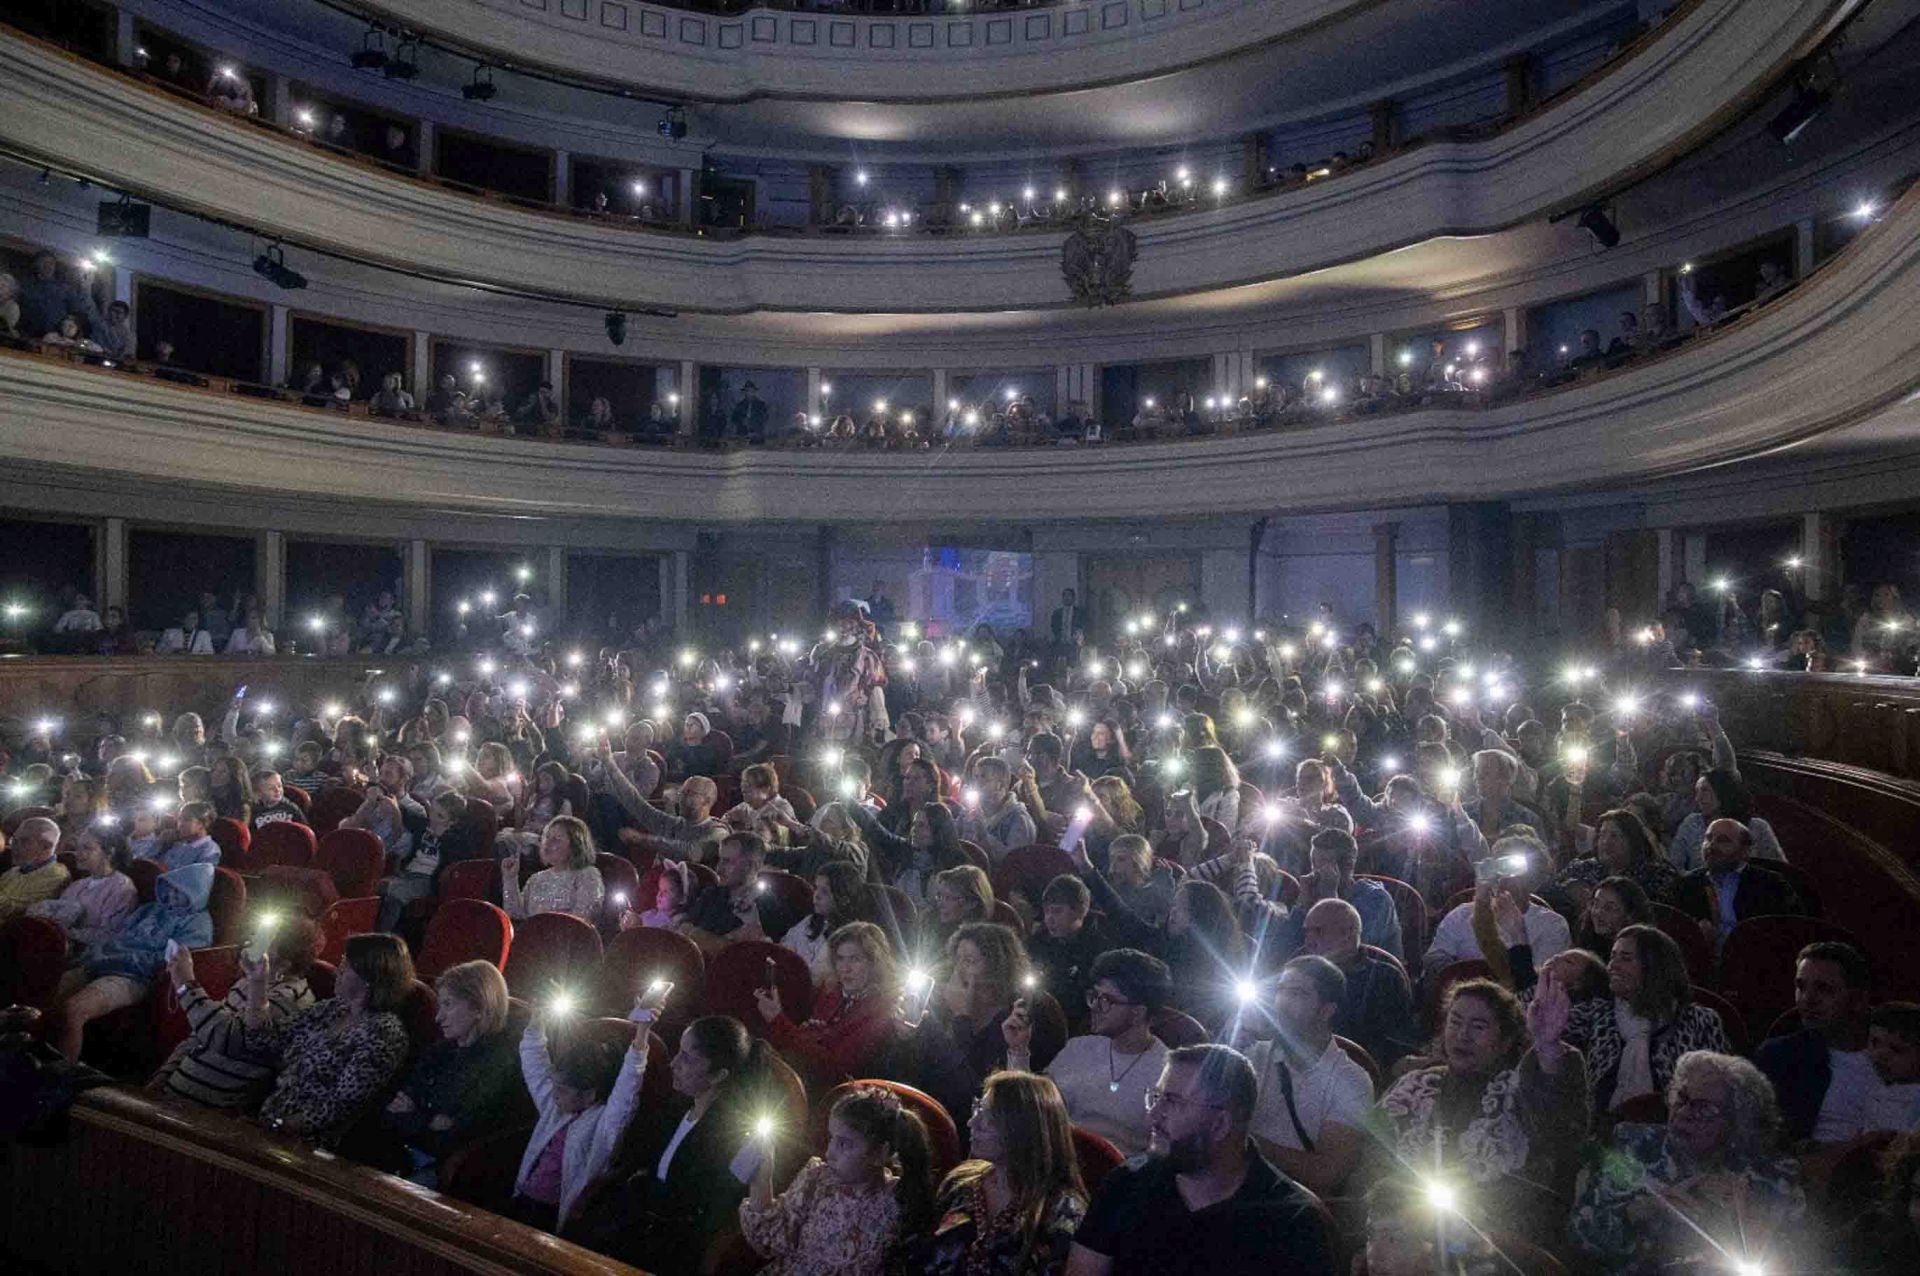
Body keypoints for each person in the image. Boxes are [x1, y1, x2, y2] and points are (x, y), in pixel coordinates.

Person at [1066, 1043, 1334, 1276]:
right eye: (1156, 1097)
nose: (1153, 1115)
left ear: (1220, 1124)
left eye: (1172, 1102)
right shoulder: (1126, 1185)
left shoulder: (1293, 1223)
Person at [1377, 974, 1589, 1239]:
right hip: (1400, 1233)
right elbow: (1371, 1161)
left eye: (1478, 1027)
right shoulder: (1414, 1086)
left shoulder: (1521, 1091)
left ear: (1504, 1042)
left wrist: (1547, 1047)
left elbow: (1561, 1131)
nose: (1462, 1035)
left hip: (1496, 1238)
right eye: (1455, 1022)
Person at [1567, 1051, 1806, 1274]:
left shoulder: (1772, 1174)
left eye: (1704, 1108)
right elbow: (1579, 1235)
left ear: (1738, 1120)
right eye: (1681, 1099)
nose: (1685, 1113)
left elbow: (1795, 1261)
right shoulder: (1632, 1146)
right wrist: (1647, 1209)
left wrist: (1742, 1217)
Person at [580, 1015, 780, 1274]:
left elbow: (704, 1218)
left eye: (687, 1058)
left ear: (719, 1075)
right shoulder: (676, 1109)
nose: (674, 1063)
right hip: (634, 1225)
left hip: (666, 1250)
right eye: (678, 1052)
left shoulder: (732, 1137)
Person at [511, 981, 667, 1233]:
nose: (554, 1094)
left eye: (562, 1090)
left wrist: (642, 1032)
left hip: (552, 1216)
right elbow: (534, 1061)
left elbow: (626, 1090)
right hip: (523, 1197)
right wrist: (537, 1019)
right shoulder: (556, 1108)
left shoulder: (604, 1126)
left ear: (589, 1094)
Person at [897, 1070, 1088, 1276]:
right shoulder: (962, 1183)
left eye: (987, 1119)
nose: (972, 1124)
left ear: (1021, 1130)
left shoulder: (1062, 1211)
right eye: (977, 1111)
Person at [232, 932, 414, 1146]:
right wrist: (258, 981)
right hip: (272, 1120)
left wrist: (277, 1127)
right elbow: (263, 1039)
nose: (338, 971)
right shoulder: (329, 1010)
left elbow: (340, 1105)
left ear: (369, 977)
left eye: (346, 966)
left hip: (313, 1143)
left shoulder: (384, 1033)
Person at [739, 1084, 936, 1275]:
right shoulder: (817, 1179)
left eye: (844, 1144)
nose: (829, 1152)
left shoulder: (899, 1201)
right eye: (831, 1138)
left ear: (880, 1154)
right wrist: (762, 1178)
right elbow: (772, 1241)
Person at [907, 922, 1065, 1150]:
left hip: (989, 1129)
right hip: (935, 1114)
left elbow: (971, 1091)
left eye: (970, 961)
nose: (960, 970)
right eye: (958, 959)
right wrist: (908, 1035)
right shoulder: (942, 1005)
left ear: (998, 967)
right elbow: (922, 1072)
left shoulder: (1022, 1014)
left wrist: (962, 1018)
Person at [1005, 948, 1171, 1157]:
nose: (1094, 1006)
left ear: (1138, 1012)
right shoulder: (1079, 1048)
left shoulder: (1167, 1072)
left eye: (1106, 1001)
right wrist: (1018, 1049)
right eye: (1094, 996)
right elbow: (1034, 1110)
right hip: (1061, 1164)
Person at [373, 960, 523, 1184]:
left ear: (479, 1009)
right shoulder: (440, 1050)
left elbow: (454, 1138)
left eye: (448, 1005)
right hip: (398, 1153)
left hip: (443, 1171)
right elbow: (392, 1109)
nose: (438, 1017)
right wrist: (430, 1121)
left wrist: (414, 1114)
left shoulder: (500, 1065)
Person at [155, 915, 321, 1110]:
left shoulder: (289, 1000)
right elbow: (199, 1035)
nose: (251, 941)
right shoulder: (247, 981)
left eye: (265, 940)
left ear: (285, 964)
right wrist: (162, 1077)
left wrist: (186, 984)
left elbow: (226, 1038)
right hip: (172, 1095)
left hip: (210, 1114)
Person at [53, 860, 215, 1059]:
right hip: (101, 962)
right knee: (48, 994)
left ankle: (60, 1074)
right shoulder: (150, 909)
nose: (171, 896)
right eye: (169, 889)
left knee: (74, 1011)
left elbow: (175, 961)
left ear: (196, 894)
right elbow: (117, 937)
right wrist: (95, 954)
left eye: (180, 892)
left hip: (134, 976)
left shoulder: (198, 924)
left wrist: (121, 959)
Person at [1563, 924, 1730, 1117]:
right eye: (1612, 956)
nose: (1612, 966)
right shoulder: (1596, 1012)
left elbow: (1722, 1094)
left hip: (1682, 1134)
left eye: (1625, 958)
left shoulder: (1700, 1021)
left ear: (1655, 967)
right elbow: (1532, 1034)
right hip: (1604, 1135)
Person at [1241, 956, 1374, 1196]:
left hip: (1292, 1202)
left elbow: (1325, 1174)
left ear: (1326, 1010)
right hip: (1235, 1183)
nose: (1281, 1003)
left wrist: (1243, 1141)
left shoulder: (1352, 1081)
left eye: (1297, 994)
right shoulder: (1251, 1054)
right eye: (1280, 990)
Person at [755, 920, 902, 1093]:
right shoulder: (834, 992)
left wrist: (778, 1021)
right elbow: (811, 1039)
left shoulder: (884, 1010)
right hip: (803, 1079)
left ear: (874, 963)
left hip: (840, 1095)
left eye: (855, 959)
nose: (845, 968)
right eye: (840, 959)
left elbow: (833, 1069)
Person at [1755, 941, 1876, 1143]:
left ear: (1858, 999)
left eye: (1824, 989)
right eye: (1800, 986)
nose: (1807, 999)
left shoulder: (1902, 1054)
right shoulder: (1779, 1057)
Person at [1422, 832, 1568, 981]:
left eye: (1514, 868)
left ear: (1535, 879)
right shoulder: (1461, 914)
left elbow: (1540, 980)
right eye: (1499, 866)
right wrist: (1458, 974)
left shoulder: (1552, 925)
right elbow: (1434, 957)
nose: (1504, 876)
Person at [1297, 897, 1418, 1068]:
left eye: (1318, 931)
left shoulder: (1385, 978)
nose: (1308, 941)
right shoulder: (1297, 970)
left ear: (1347, 935)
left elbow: (1396, 1043)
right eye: (1306, 932)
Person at [1276, 827, 1402, 963]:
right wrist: (1302, 905)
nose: (1315, 872)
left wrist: (1329, 896)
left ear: (1348, 866)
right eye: (1313, 863)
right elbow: (1281, 951)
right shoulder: (1313, 895)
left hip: (1366, 978)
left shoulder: (1376, 900)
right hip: (1315, 977)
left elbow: (1343, 954)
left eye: (1323, 863)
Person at [1675, 818, 1804, 946]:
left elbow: (1792, 932)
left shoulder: (1771, 884)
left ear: (1744, 851)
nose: (1711, 845)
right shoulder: (1689, 884)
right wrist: (1694, 933)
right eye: (1708, 838)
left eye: (1723, 840)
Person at [680, 831, 796, 951]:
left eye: (728, 861)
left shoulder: (769, 908)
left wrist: (697, 935)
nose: (719, 868)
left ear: (752, 866)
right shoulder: (711, 894)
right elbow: (683, 929)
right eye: (720, 860)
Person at [28, 821, 135, 950]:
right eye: (77, 847)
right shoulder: (77, 885)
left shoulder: (121, 889)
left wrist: (64, 933)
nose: (77, 854)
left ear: (109, 852)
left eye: (87, 848)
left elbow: (109, 935)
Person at [501, 815, 606, 921]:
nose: (548, 843)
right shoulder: (536, 878)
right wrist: (510, 877)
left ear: (575, 845)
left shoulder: (587, 874)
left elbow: (583, 918)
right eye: (546, 837)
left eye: (557, 839)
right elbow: (515, 914)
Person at [777, 859, 867, 975]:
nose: (816, 895)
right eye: (816, 888)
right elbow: (785, 947)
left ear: (844, 899)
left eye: (825, 892)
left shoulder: (851, 937)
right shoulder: (809, 922)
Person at [957, 758, 1037, 865]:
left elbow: (1014, 861)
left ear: (1000, 785)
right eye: (975, 777)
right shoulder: (968, 812)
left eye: (984, 777)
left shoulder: (1019, 819)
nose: (977, 783)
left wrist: (984, 836)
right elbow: (953, 840)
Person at [0, 815, 71, 922]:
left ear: (46, 846)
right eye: (14, 840)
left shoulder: (56, 876)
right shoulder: (12, 872)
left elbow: (19, 910)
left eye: (23, 841)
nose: (14, 846)